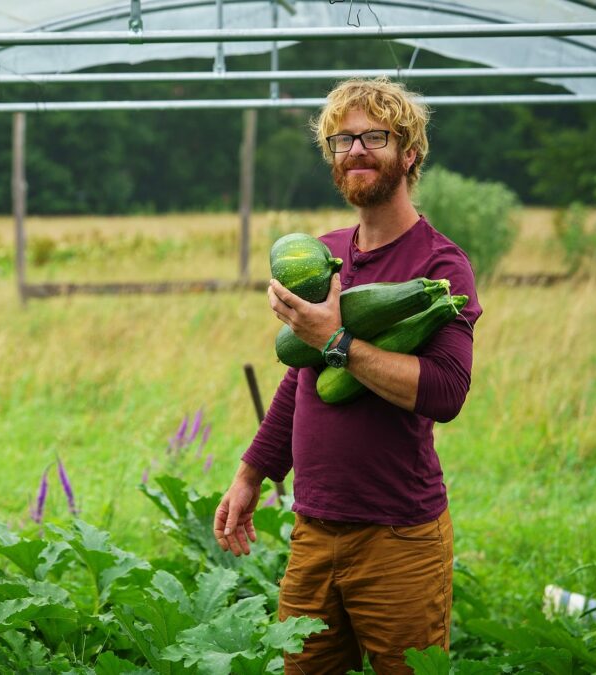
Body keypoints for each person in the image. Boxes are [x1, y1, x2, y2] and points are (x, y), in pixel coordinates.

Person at [214, 77, 482, 673]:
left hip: (400, 535)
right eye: (342, 140)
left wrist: (336, 340)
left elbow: (445, 391)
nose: (355, 150)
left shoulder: (440, 264)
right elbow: (300, 378)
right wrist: (251, 474)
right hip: (312, 529)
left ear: (408, 152)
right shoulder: (325, 250)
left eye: (374, 137)